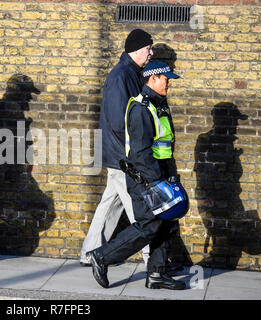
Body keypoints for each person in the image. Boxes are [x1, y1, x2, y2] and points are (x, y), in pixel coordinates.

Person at [88, 61, 187, 290]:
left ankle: (156, 274)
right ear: (152, 79)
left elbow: (164, 146)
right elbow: (141, 153)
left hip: (159, 175)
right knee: (148, 226)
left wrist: (171, 176)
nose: (169, 82)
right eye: (165, 78)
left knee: (165, 223)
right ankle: (101, 256)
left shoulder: (158, 105)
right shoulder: (142, 109)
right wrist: (156, 183)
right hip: (144, 179)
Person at [80, 29, 153, 266]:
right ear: (137, 50)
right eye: (148, 49)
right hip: (123, 155)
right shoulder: (120, 76)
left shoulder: (131, 73)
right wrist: (132, 153)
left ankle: (89, 253)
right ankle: (152, 258)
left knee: (110, 203)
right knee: (139, 208)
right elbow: (118, 119)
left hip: (119, 154)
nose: (151, 53)